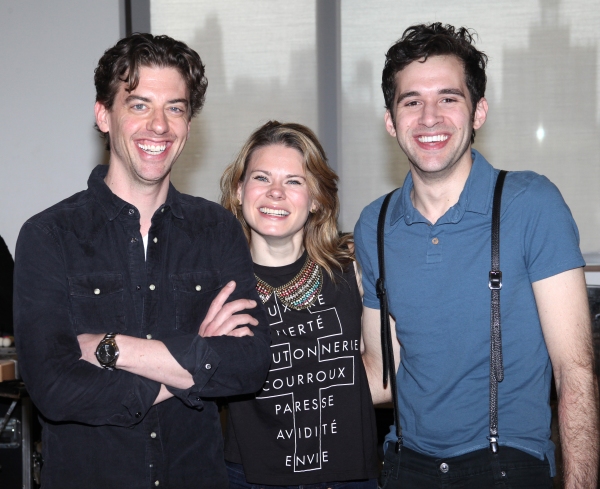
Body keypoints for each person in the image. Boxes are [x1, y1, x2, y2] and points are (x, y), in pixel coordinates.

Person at [13, 33, 271, 489]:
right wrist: (190, 365)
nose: (159, 126)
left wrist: (113, 348)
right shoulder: (47, 235)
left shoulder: (218, 231)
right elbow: (53, 387)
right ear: (103, 115)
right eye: (139, 105)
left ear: (189, 124)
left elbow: (248, 364)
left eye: (175, 108)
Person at [355, 23, 599, 488]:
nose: (429, 117)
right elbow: (380, 374)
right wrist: (268, 366)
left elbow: (575, 371)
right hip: (406, 465)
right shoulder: (375, 223)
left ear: (478, 111)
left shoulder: (531, 203)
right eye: (411, 101)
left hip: (508, 463)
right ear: (390, 120)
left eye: (448, 98)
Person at [220, 121, 378, 488]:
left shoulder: (356, 268)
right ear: (240, 191)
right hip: (249, 478)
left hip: (349, 478)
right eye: (261, 178)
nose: (276, 193)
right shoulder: (216, 285)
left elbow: (386, 377)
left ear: (317, 198)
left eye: (294, 181)